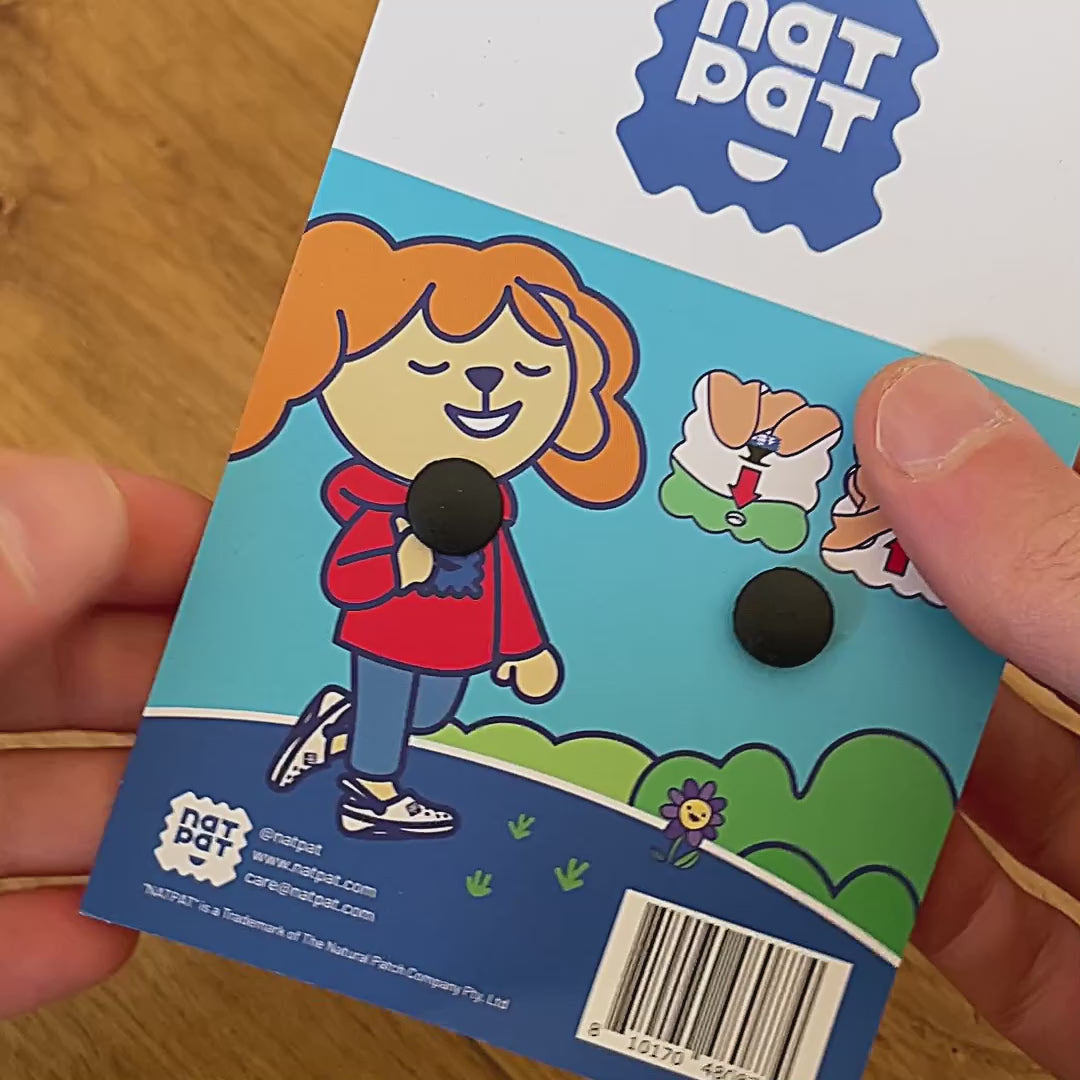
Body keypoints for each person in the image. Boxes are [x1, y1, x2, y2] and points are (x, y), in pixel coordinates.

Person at [2, 357, 1079, 1077]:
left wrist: (525, 648)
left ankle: (347, 724)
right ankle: (368, 786)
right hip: (385, 633)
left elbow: (507, 582)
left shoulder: (493, 514)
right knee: (392, 711)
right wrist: (398, 564)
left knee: (429, 711)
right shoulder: (375, 504)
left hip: (454, 657)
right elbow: (346, 576)